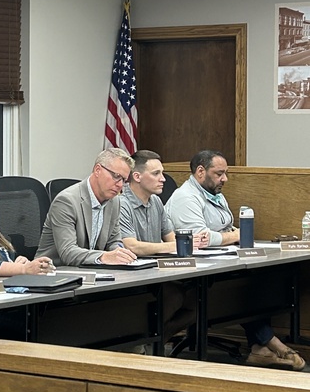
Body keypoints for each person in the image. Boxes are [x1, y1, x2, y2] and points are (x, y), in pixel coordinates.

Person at [168, 150, 305, 370]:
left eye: (226, 173)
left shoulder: (214, 193)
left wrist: (232, 234)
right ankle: (267, 342)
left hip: (221, 259)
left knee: (260, 277)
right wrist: (236, 235)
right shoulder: (186, 197)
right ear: (200, 172)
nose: (225, 179)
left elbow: (225, 226)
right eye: (219, 173)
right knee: (240, 288)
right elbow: (200, 238)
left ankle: (259, 347)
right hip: (196, 267)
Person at [36, 148, 138, 267]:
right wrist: (104, 256)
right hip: (54, 272)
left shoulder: (114, 202)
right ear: (98, 170)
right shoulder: (66, 201)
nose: (120, 185)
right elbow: (68, 252)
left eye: (124, 180)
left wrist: (120, 253)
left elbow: (114, 241)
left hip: (91, 270)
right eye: (116, 176)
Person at [119, 150, 209, 256]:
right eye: (156, 173)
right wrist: (178, 245)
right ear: (137, 177)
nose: (163, 179)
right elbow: (132, 246)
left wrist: (192, 241)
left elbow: (170, 238)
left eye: (162, 173)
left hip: (157, 266)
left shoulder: (156, 201)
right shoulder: (121, 204)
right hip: (134, 269)